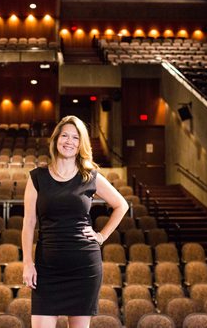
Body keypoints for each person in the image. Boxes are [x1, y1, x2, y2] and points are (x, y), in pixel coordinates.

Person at [22, 115, 129, 328]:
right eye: (65, 136)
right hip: (47, 267)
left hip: (83, 266)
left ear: (81, 144)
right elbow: (29, 222)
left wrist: (101, 236)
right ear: (56, 139)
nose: (69, 141)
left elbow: (121, 205)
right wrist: (27, 263)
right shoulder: (37, 177)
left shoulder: (89, 177)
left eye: (75, 138)